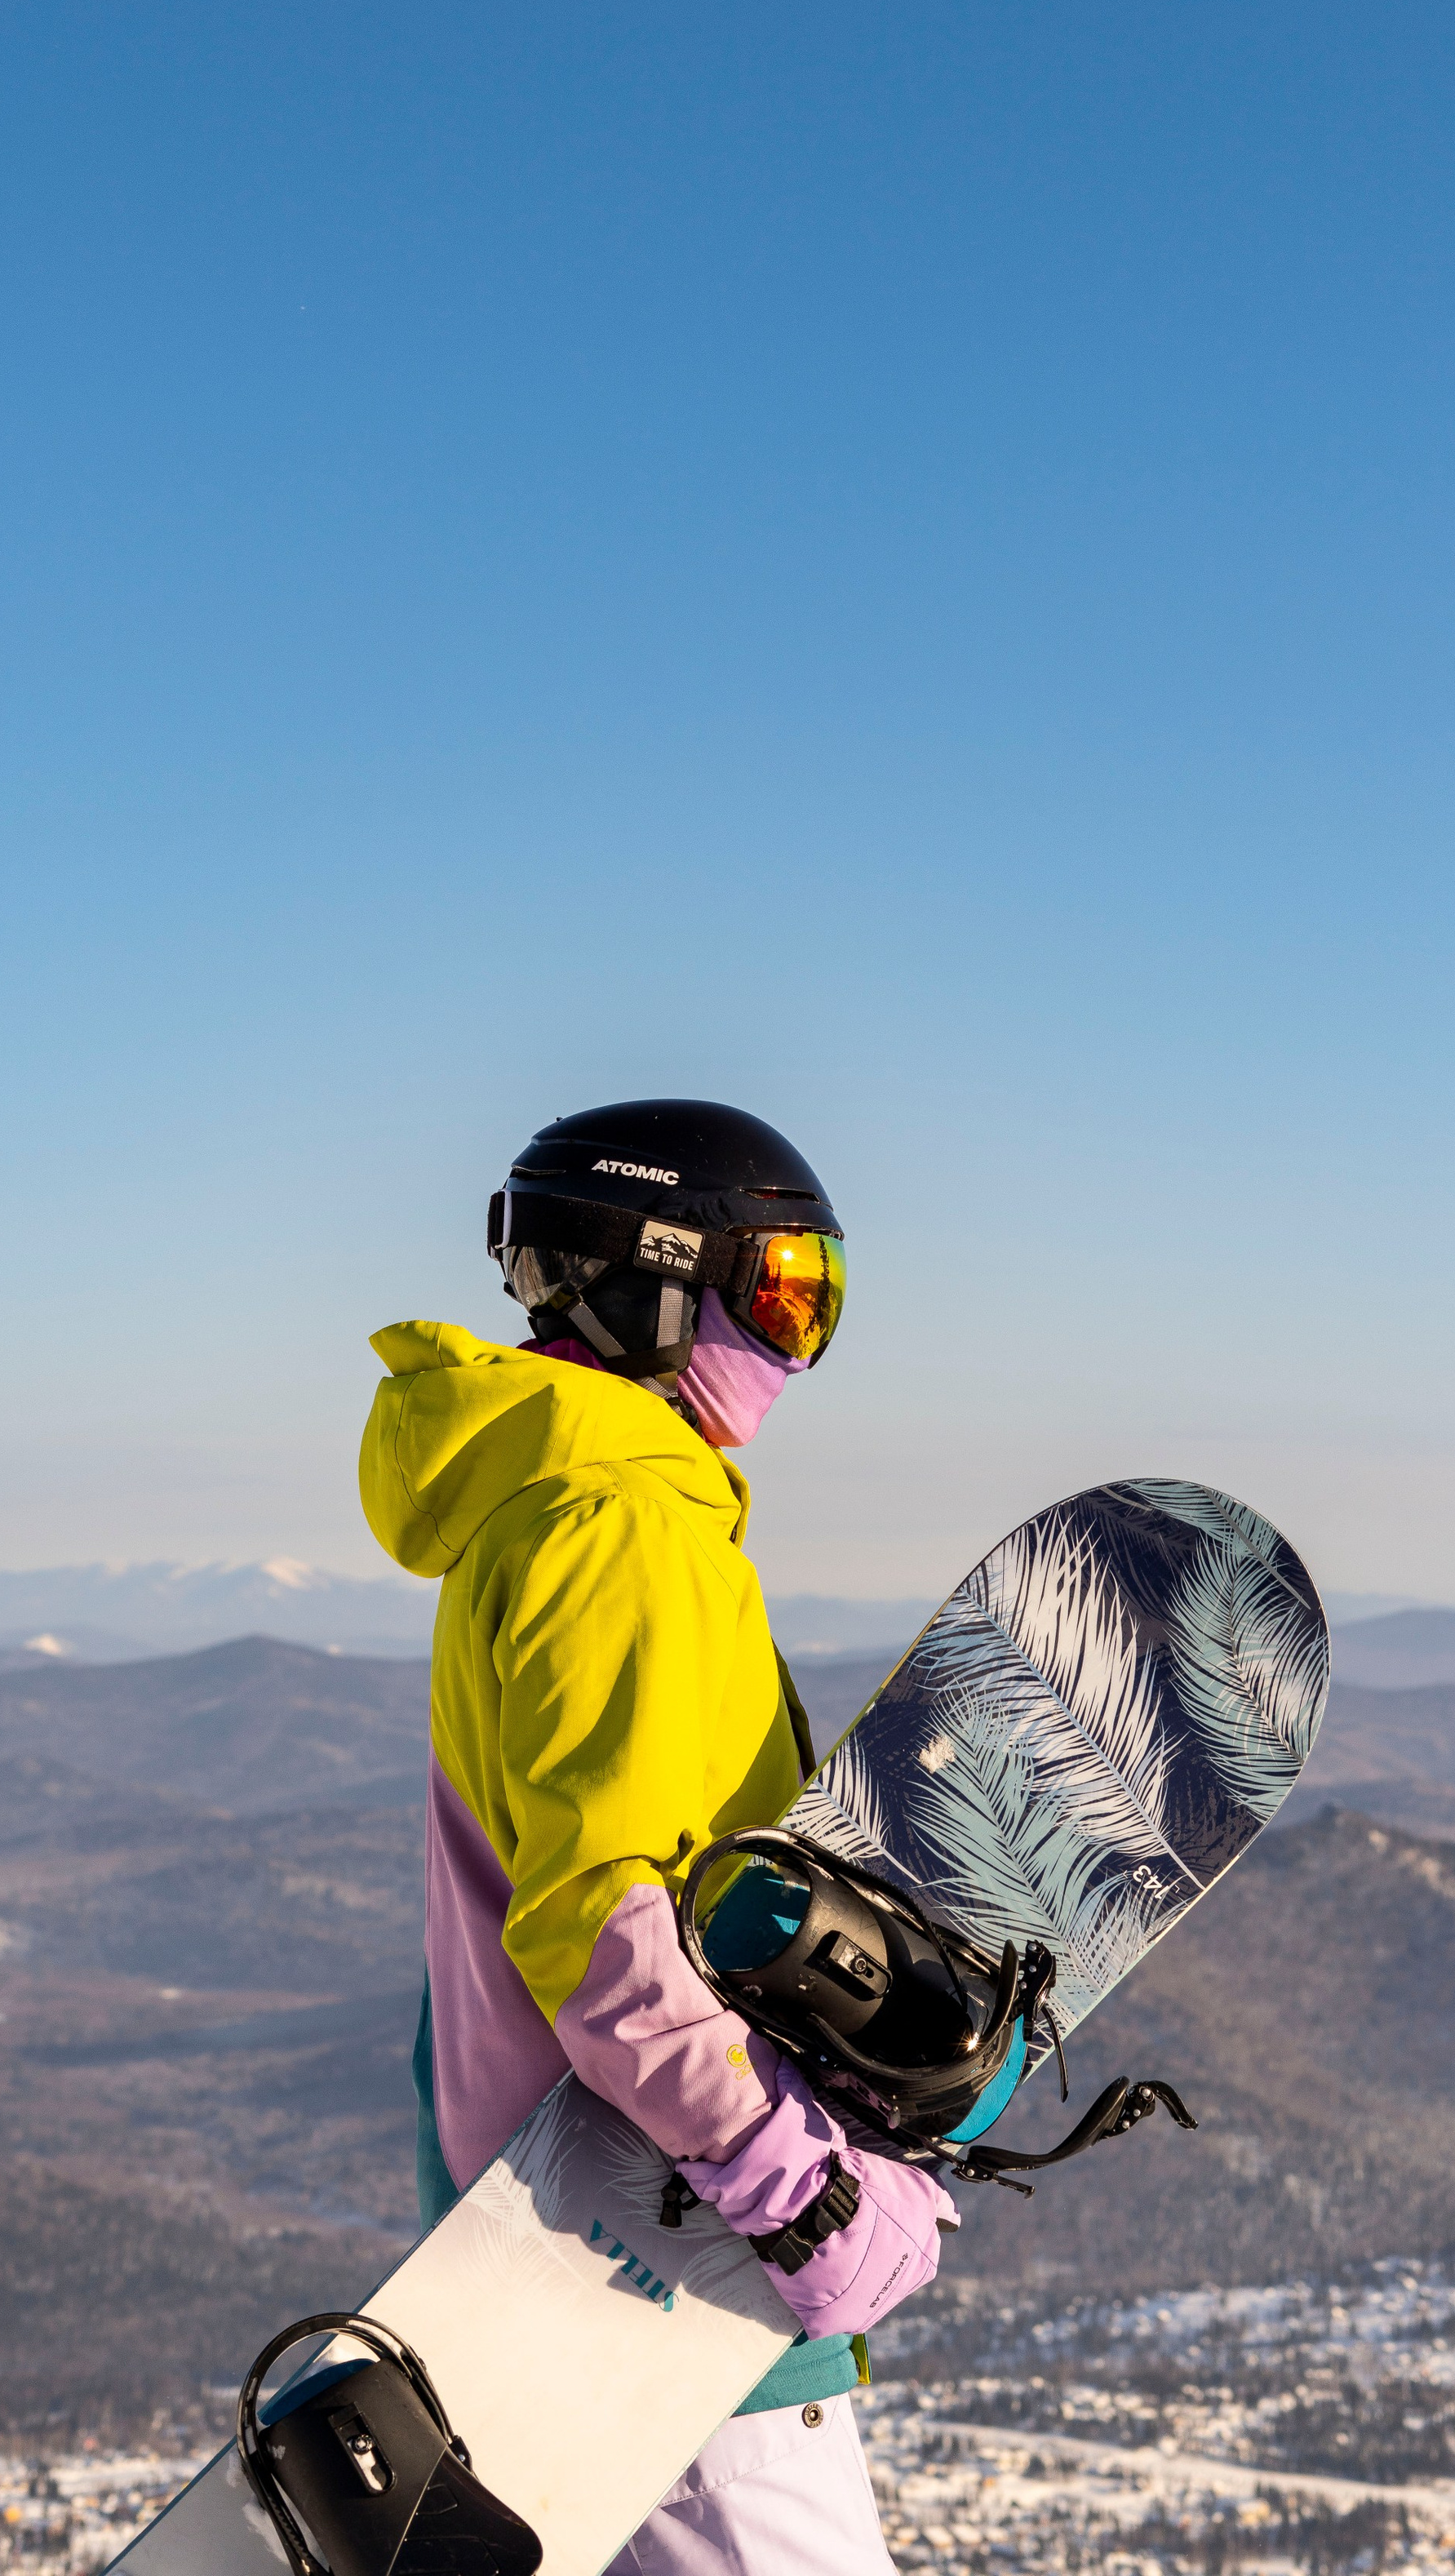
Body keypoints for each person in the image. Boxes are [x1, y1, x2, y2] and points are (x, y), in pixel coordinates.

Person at [358, 1097, 957, 2576]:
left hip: (567, 2241)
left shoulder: (538, 1502)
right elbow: (600, 1926)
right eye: (783, 1290)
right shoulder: (620, 1521)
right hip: (665, 2275)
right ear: (658, 1279)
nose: (797, 1341)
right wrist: (792, 2187)